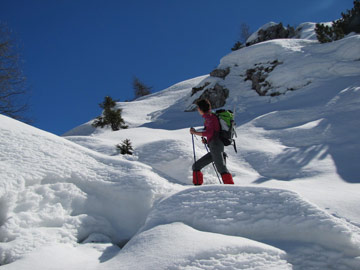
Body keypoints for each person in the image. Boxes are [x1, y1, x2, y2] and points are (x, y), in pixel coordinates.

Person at [190, 99, 234, 185]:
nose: (198, 110)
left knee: (221, 168)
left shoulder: (210, 117)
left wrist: (195, 133)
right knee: (196, 166)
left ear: (200, 108)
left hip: (216, 146)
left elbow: (209, 132)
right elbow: (213, 132)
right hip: (215, 146)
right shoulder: (210, 117)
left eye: (198, 108)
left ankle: (231, 188)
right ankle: (197, 187)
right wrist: (207, 141)